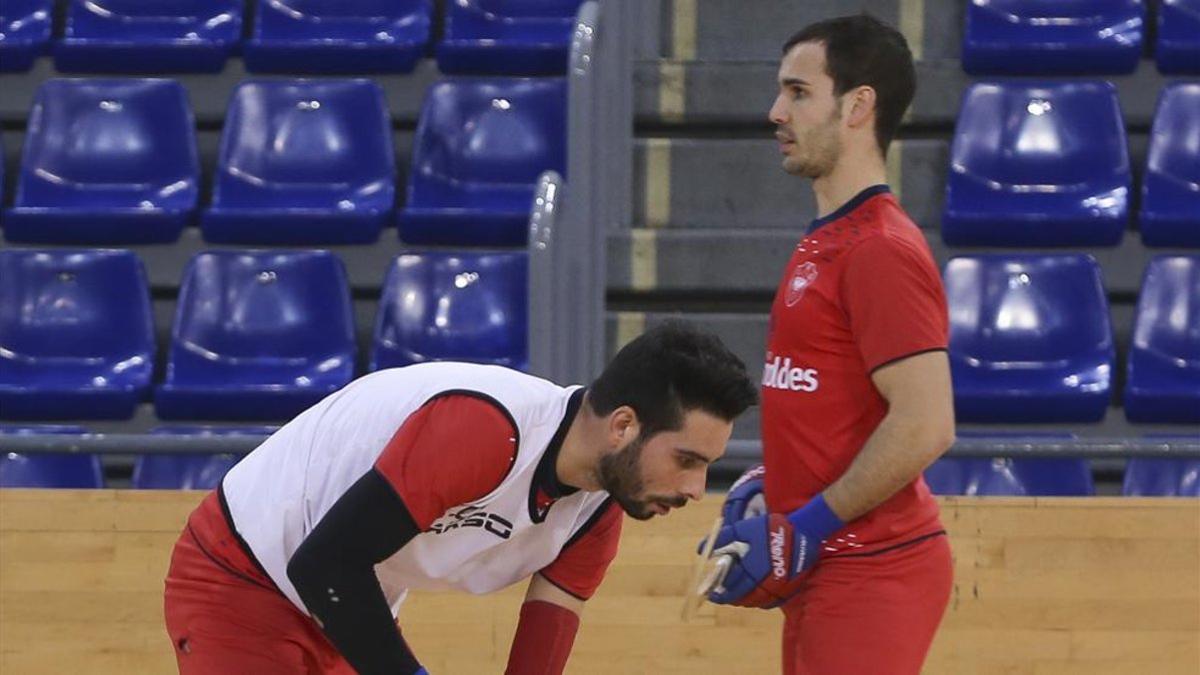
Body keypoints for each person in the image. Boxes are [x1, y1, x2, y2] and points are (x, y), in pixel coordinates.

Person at [163, 321, 757, 675]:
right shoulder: (485, 429)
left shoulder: (597, 508)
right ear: (623, 426)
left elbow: (539, 649)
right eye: (687, 460)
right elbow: (323, 563)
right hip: (240, 573)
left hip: (342, 601)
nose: (694, 490)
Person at [704, 14, 957, 675]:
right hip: (833, 568)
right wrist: (778, 482)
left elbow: (926, 423)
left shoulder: (878, 248)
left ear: (858, 105)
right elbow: (833, 401)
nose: (775, 112)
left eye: (798, 92)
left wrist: (807, 522)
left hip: (871, 567)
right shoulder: (828, 238)